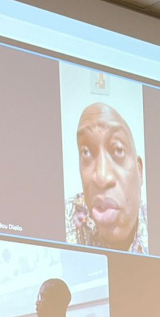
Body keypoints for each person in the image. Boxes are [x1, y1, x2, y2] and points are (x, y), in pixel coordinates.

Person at [65, 103, 148, 254]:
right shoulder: (63, 221)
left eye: (118, 150)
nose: (102, 177)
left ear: (139, 171)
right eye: (86, 152)